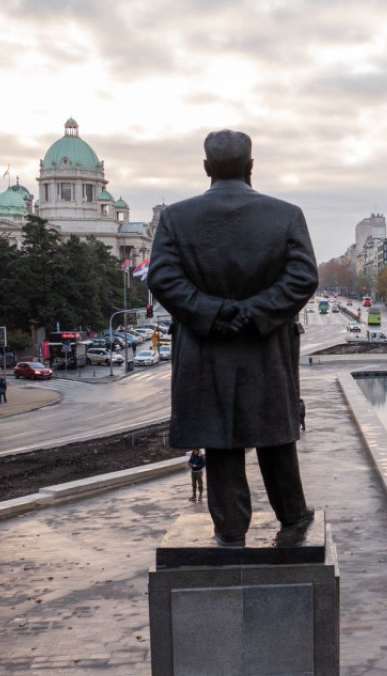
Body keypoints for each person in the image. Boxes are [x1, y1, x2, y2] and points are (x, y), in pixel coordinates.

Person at [148, 129, 319, 547]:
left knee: (220, 438)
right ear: (251, 167)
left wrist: (214, 312)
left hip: (205, 349)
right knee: (276, 436)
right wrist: (254, 313)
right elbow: (302, 278)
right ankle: (293, 517)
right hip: (267, 348)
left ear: (206, 168)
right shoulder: (286, 215)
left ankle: (230, 530)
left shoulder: (176, 218)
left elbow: (163, 279)